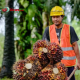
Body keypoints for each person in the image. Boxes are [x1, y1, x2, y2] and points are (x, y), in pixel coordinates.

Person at [42, 6, 80, 80]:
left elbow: (75, 45)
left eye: (57, 17)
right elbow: (44, 48)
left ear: (62, 17)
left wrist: (79, 61)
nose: (55, 19)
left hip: (68, 66)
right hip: (54, 66)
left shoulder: (70, 29)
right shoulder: (48, 30)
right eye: (53, 17)